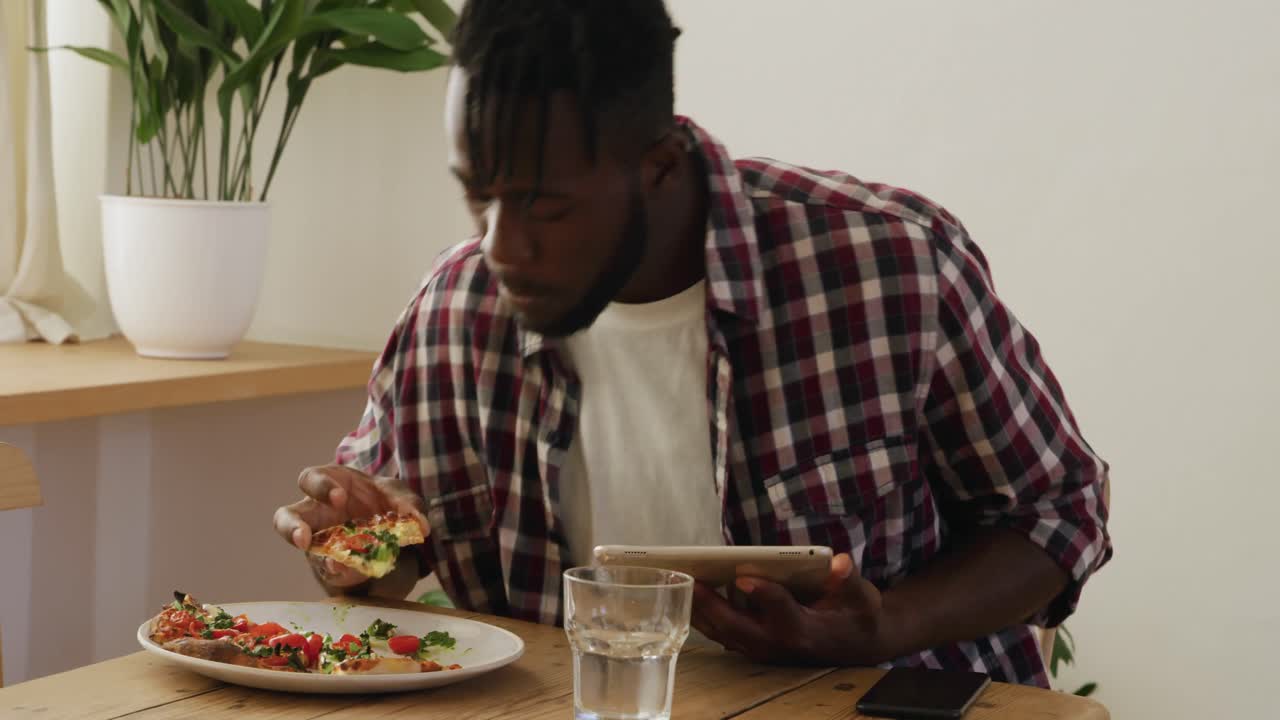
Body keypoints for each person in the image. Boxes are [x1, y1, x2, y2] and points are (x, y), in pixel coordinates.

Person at [272, 0, 1111, 687]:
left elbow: (1056, 513)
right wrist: (354, 546)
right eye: (476, 197)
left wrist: (887, 624)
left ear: (663, 166)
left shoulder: (885, 265)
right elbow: (392, 556)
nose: (500, 246)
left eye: (545, 207)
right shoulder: (453, 312)